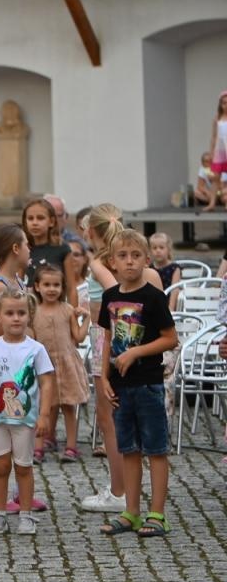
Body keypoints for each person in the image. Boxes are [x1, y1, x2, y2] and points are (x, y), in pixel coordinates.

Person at [95, 229, 179, 538]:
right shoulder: (110, 297)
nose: (129, 262)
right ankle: (130, 511)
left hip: (148, 383)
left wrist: (135, 352)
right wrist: (103, 377)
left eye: (135, 256)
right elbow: (106, 338)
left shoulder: (153, 298)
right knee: (128, 449)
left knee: (155, 449)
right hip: (119, 385)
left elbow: (171, 339)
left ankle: (157, 514)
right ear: (112, 263)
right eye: (122, 256)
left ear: (146, 259)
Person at [0, 286, 56, 536]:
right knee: (0, 466)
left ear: (29, 315)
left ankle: (25, 513)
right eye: (10, 313)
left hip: (25, 420)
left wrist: (44, 414)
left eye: (21, 313)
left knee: (24, 466)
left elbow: (47, 381)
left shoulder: (36, 349)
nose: (16, 318)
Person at [29, 264, 89, 464]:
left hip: (66, 365)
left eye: (56, 285)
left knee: (69, 406)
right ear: (37, 287)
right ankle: (40, 445)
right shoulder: (33, 312)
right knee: (44, 407)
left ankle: (71, 446)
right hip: (44, 368)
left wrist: (86, 319)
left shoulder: (68, 310)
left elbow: (78, 337)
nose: (51, 289)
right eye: (47, 284)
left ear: (62, 287)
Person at [22, 198, 72, 287]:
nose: (35, 223)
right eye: (30, 218)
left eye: (40, 218)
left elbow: (71, 287)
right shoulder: (22, 249)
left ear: (51, 221)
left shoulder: (62, 249)